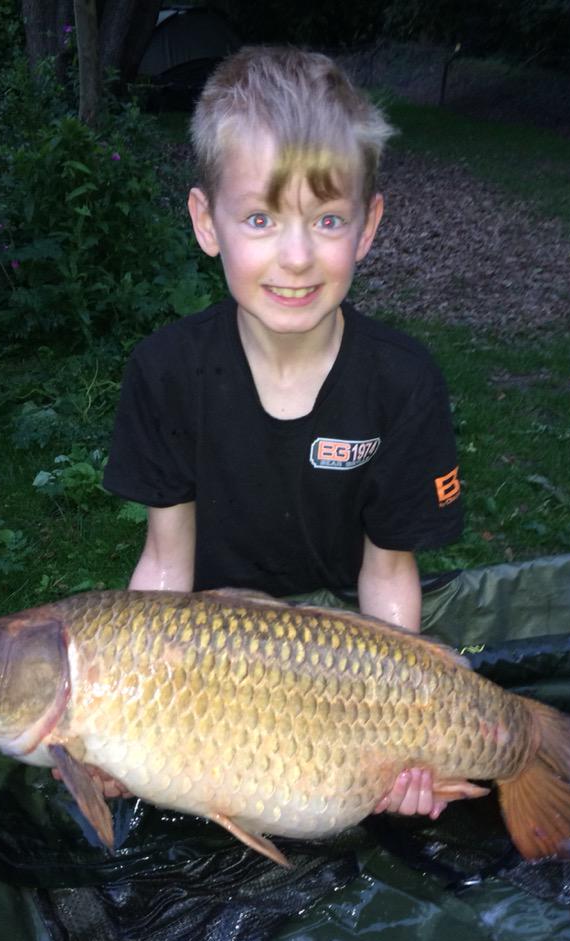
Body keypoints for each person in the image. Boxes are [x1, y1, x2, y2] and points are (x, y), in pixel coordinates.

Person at [102, 47, 464, 820]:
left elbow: (389, 572)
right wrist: (130, 703)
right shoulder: (165, 372)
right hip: (215, 672)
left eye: (327, 219)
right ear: (208, 223)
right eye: (261, 218)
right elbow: (166, 562)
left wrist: (399, 722)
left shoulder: (404, 383)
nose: (296, 258)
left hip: (343, 666)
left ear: (367, 228)